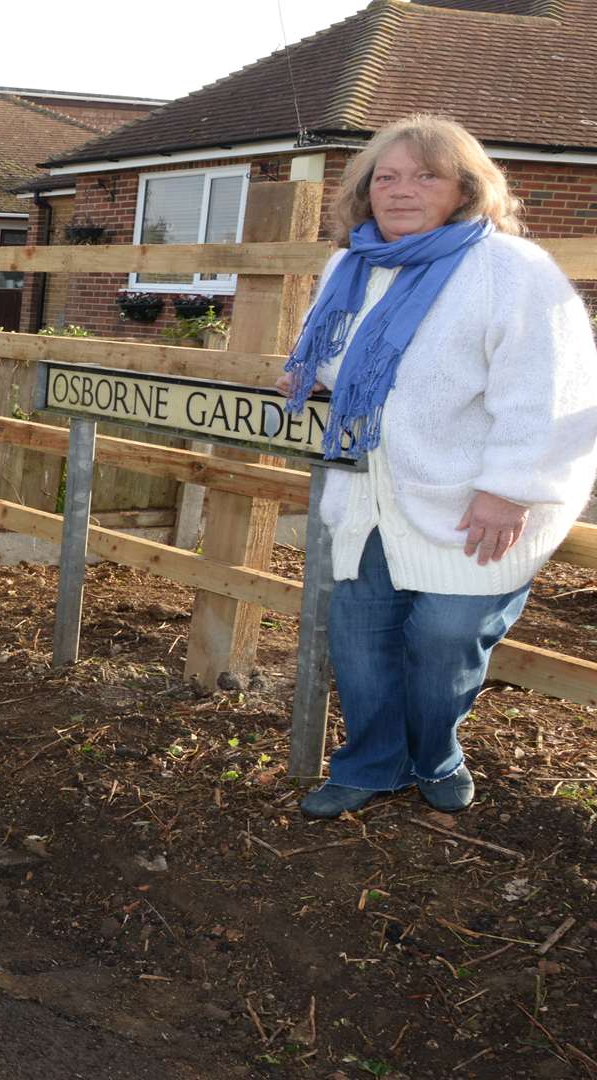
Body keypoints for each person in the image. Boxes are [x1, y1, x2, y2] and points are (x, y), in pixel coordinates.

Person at [275, 115, 597, 819]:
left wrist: (510, 489)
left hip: (479, 501)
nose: (400, 190)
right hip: (370, 497)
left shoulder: (512, 272)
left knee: (443, 638)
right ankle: (372, 765)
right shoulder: (351, 264)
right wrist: (321, 377)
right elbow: (348, 358)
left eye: (425, 175)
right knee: (360, 643)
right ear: (364, 191)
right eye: (384, 177)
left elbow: (552, 391)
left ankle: (436, 754)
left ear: (464, 188)